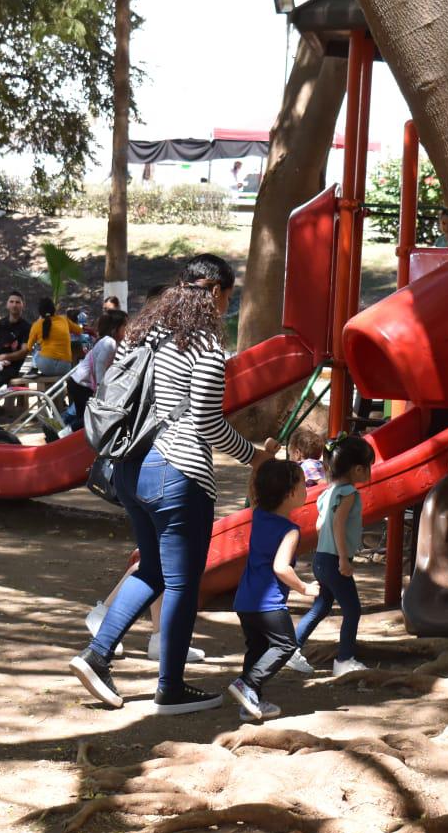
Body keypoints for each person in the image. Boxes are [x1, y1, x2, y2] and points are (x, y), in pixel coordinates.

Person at [70, 254, 278, 715]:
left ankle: (98, 655)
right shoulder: (204, 345)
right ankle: (171, 686)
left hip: (129, 468)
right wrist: (255, 457)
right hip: (177, 475)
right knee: (182, 583)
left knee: (153, 571)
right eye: (228, 296)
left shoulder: (141, 335)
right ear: (219, 295)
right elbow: (206, 423)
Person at [227, 458, 319, 723]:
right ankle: (247, 684)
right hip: (269, 604)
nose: (307, 488)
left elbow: (252, 491)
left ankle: (250, 702)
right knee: (286, 644)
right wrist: (304, 588)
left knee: (256, 648)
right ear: (290, 493)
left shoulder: (258, 513)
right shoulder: (290, 530)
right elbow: (281, 567)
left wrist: (262, 459)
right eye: (303, 484)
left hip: (245, 600)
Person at [293, 435, 375, 676]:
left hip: (321, 558)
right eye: (368, 466)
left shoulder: (328, 492)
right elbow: (338, 524)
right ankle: (344, 659)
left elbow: (321, 525)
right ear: (358, 469)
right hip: (334, 560)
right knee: (352, 609)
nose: (369, 471)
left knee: (322, 605)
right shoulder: (349, 493)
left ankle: (291, 648)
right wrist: (342, 557)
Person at [66, 309, 127, 430]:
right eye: (125, 326)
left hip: (79, 383)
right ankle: (63, 434)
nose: (127, 330)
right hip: (81, 384)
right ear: (115, 328)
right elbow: (100, 365)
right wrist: (100, 388)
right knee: (90, 418)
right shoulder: (109, 343)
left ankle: (69, 438)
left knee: (83, 418)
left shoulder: (108, 341)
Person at [26, 298, 82, 378]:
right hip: (65, 367)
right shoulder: (64, 319)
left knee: (37, 347)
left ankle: (34, 370)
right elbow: (79, 330)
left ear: (40, 311)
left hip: (45, 366)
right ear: (54, 309)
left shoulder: (36, 325)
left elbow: (29, 347)